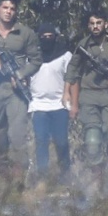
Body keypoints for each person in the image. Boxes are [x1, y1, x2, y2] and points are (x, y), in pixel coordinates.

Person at [65, 9, 108, 194]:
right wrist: (68, 96)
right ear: (89, 25)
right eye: (92, 23)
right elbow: (72, 69)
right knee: (93, 141)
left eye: (99, 23)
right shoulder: (83, 45)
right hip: (88, 95)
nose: (95, 26)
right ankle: (97, 179)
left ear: (106, 23)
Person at [0, 0, 42, 190]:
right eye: (5, 7)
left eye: (12, 8)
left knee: (18, 136)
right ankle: (7, 181)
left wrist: (21, 74)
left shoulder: (25, 33)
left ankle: (18, 183)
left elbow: (37, 60)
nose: (8, 11)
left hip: (16, 90)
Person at [29, 23, 72, 187]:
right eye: (43, 37)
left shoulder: (65, 55)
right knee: (41, 142)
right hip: (38, 105)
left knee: (61, 141)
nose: (47, 40)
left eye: (50, 36)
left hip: (59, 105)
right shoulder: (31, 55)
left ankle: (65, 177)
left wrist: (71, 100)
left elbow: (71, 77)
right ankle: (43, 179)